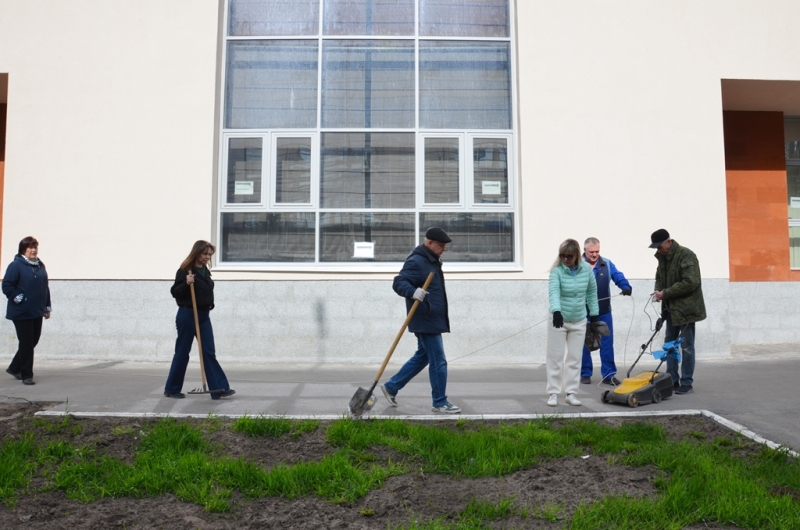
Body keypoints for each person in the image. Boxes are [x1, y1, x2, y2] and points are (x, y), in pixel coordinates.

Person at [380, 227, 460, 414]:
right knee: (439, 360)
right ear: (429, 243)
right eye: (441, 245)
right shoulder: (417, 261)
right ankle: (440, 402)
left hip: (431, 318)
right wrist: (412, 291)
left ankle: (391, 387)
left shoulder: (432, 260)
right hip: (425, 319)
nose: (444, 249)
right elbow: (399, 282)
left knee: (423, 356)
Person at [164, 240, 235, 400]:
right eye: (205, 254)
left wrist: (209, 304)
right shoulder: (185, 270)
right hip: (188, 314)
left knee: (209, 351)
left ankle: (218, 389)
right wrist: (186, 283)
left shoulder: (205, 271)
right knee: (183, 351)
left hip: (203, 315)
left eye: (210, 254)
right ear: (197, 253)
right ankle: (172, 389)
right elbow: (175, 292)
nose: (207, 257)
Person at [649, 229, 706, 395]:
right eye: (656, 247)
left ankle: (687, 383)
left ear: (669, 241)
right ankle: (672, 380)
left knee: (686, 346)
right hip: (670, 309)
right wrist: (658, 290)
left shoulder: (686, 255)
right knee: (669, 345)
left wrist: (666, 293)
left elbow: (691, 282)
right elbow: (659, 277)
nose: (658, 250)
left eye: (659, 246)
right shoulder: (662, 258)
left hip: (686, 310)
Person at [546, 238, 599, 407]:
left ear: (576, 255)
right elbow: (554, 292)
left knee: (575, 358)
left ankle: (571, 393)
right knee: (555, 357)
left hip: (579, 320)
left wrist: (594, 314)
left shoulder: (586, 270)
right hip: (559, 320)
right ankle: (553, 393)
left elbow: (592, 292)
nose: (565, 259)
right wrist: (556, 311)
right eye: (562, 256)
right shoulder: (556, 271)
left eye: (569, 256)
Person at [580, 237, 632, 386]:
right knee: (583, 344)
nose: (594, 255)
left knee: (607, 344)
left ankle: (609, 375)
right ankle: (585, 374)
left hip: (604, 312)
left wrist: (625, 286)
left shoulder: (607, 264)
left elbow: (618, 276)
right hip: (583, 312)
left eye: (597, 251)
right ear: (584, 250)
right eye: (591, 252)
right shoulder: (577, 265)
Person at [3, 236, 51, 386]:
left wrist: (47, 306)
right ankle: (26, 375)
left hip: (36, 310)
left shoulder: (40, 265)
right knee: (26, 342)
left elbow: (45, 287)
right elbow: (7, 285)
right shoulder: (15, 266)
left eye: (35, 247)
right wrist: (19, 298)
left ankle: (14, 367)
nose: (34, 250)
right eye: (30, 247)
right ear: (23, 250)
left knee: (33, 340)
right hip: (21, 311)